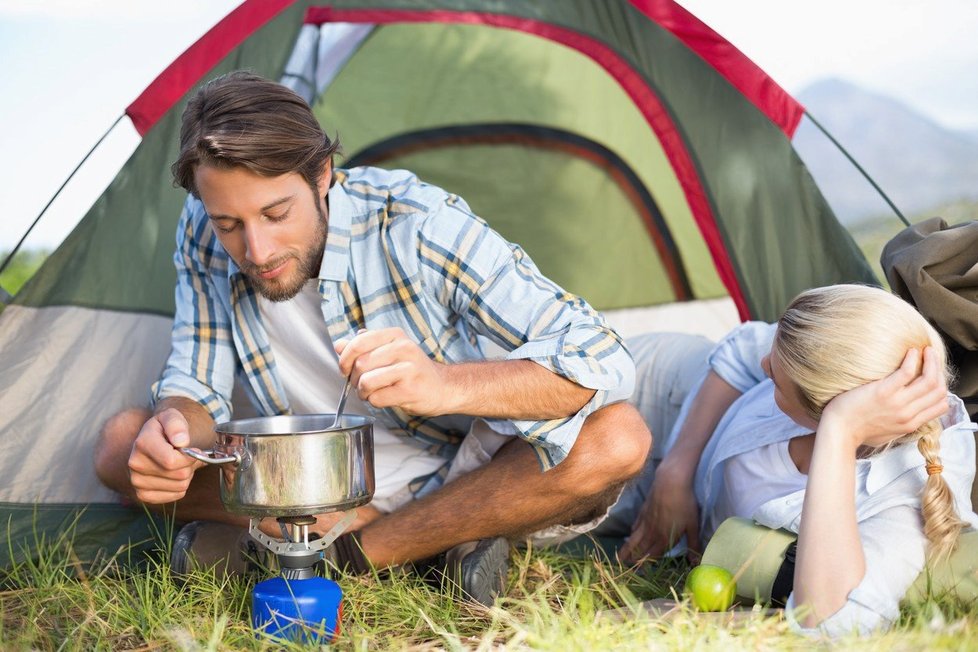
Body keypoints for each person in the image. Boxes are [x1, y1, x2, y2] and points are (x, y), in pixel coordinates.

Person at [92, 71, 650, 604]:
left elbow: (599, 354)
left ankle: (341, 557)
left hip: (465, 473)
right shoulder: (201, 227)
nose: (256, 252)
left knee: (618, 438)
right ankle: (425, 551)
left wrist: (443, 386)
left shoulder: (417, 222)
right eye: (230, 224)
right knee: (123, 445)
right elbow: (196, 385)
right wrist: (174, 429)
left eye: (276, 213)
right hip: (306, 478)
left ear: (322, 175)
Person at [602, 284, 976, 635]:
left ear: (826, 407)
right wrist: (676, 471)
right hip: (665, 393)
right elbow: (740, 351)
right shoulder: (840, 344)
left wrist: (840, 432)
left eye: (777, 383)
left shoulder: (904, 495)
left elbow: (834, 621)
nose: (765, 364)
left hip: (648, 497)